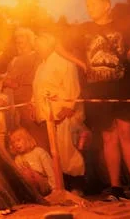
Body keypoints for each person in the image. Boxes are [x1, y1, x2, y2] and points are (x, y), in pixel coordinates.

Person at [59, 0, 130, 201]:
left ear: (106, 5)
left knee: (126, 132)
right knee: (108, 137)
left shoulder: (122, 25)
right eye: (87, 6)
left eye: (93, 5)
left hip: (122, 86)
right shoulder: (84, 29)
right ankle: (116, 188)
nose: (89, 9)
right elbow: (59, 46)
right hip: (97, 89)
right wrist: (82, 64)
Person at [32, 33, 86, 190]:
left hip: (62, 113)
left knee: (68, 151)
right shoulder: (42, 65)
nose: (36, 47)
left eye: (39, 43)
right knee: (55, 154)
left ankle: (77, 187)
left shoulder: (64, 62)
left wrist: (68, 107)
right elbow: (38, 87)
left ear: (49, 43)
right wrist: (33, 105)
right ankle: (61, 188)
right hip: (47, 116)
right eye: (35, 44)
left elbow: (72, 84)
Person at [3, 27, 41, 134]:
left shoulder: (36, 56)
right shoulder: (14, 60)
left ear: (29, 39)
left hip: (30, 102)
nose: (18, 40)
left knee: (35, 134)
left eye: (21, 36)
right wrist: (5, 81)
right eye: (16, 38)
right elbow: (7, 77)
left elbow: (37, 77)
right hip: (14, 105)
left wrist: (17, 83)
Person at [9, 127, 56, 196]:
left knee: (27, 173)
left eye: (18, 140)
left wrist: (54, 189)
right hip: (29, 187)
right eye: (13, 142)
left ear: (26, 139)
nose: (16, 144)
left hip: (44, 184)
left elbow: (50, 172)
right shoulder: (18, 159)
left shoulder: (39, 152)